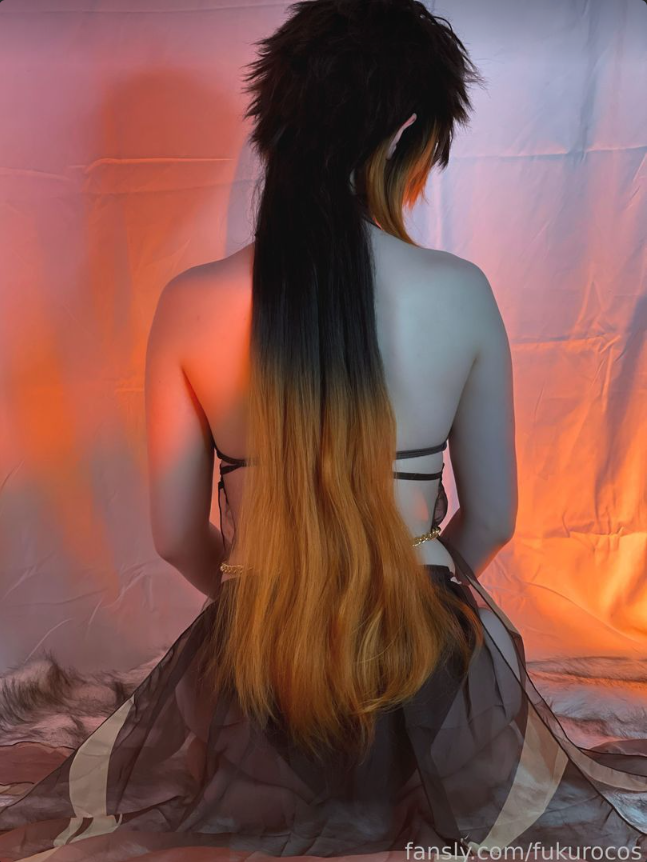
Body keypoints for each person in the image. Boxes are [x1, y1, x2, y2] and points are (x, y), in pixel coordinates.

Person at [0, 1, 646, 859]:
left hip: (257, 676)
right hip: (420, 674)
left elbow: (174, 535)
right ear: (406, 130)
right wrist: (406, 610)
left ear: (276, 125)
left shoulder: (190, 302)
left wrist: (273, 612)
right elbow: (490, 518)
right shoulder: (459, 291)